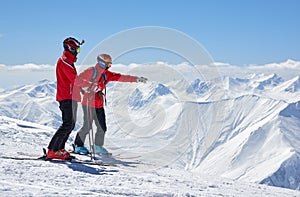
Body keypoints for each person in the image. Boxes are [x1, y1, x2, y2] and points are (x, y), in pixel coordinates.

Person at [73, 54, 147, 155]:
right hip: (88, 103)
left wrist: (136, 79)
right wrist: (86, 86)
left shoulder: (106, 74)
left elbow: (121, 77)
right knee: (87, 126)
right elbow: (76, 80)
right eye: (108, 63)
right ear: (102, 62)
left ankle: (98, 146)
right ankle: (78, 145)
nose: (109, 65)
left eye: (110, 63)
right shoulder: (90, 71)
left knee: (102, 127)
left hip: (99, 104)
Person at [46, 37, 84, 160]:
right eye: (76, 50)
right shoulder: (65, 61)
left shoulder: (68, 61)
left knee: (70, 124)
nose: (77, 53)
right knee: (67, 124)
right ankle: (53, 150)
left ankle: (59, 149)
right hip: (66, 97)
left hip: (70, 96)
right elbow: (74, 79)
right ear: (70, 48)